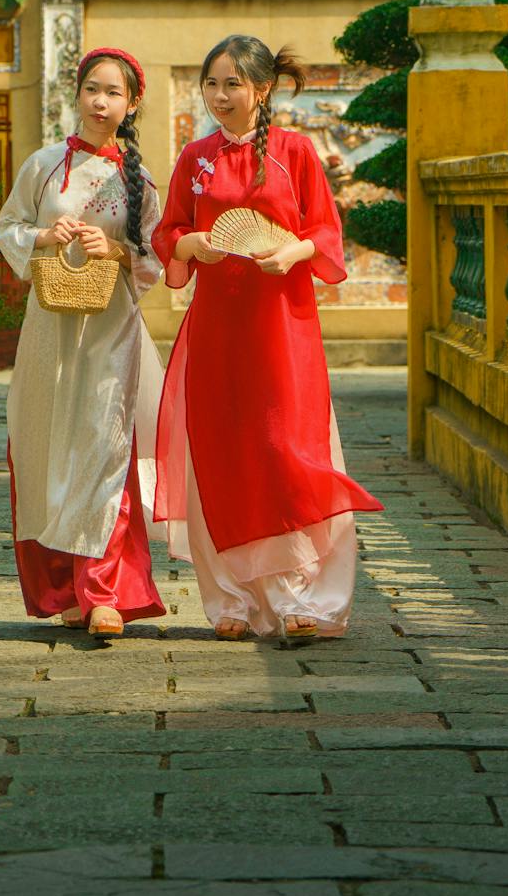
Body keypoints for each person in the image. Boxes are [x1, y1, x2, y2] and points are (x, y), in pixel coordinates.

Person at [152, 34, 384, 641]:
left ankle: (303, 598)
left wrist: (292, 250)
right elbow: (168, 229)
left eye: (233, 84)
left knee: (286, 451)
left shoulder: (295, 151)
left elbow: (326, 234)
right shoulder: (195, 158)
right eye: (212, 84)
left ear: (263, 89)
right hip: (217, 329)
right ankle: (232, 601)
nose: (221, 96)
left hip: (282, 324)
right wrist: (189, 244)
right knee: (222, 452)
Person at [0, 48, 165, 639]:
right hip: (47, 332)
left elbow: (153, 260)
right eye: (92, 89)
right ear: (78, 94)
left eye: (113, 93)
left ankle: (105, 594)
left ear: (131, 103)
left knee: (102, 450)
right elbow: (7, 228)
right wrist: (44, 234)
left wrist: (114, 249)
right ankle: (61, 589)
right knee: (45, 450)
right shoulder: (42, 165)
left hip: (109, 332)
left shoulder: (140, 181)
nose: (100, 102)